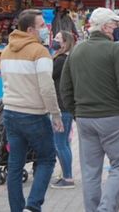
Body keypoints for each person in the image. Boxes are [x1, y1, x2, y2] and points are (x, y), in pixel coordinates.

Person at [60, 7, 119, 212]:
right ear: (105, 27)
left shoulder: (76, 50)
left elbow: (65, 87)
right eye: (115, 25)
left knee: (90, 171)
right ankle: (106, 209)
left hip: (85, 118)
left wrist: (76, 112)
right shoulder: (115, 50)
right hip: (114, 116)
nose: (117, 28)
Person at [0, 9, 64, 212]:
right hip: (34, 114)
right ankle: (33, 206)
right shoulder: (40, 51)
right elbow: (46, 87)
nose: (46, 29)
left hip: (10, 112)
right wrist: (55, 114)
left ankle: (17, 209)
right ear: (30, 30)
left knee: (15, 165)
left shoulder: (7, 50)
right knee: (46, 158)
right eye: (42, 25)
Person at [51, 30, 76, 189]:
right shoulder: (70, 58)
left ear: (65, 43)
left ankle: (67, 178)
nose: (54, 40)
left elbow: (49, 77)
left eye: (58, 38)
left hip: (61, 106)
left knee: (60, 143)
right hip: (67, 105)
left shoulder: (60, 60)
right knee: (64, 142)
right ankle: (67, 175)